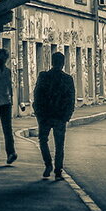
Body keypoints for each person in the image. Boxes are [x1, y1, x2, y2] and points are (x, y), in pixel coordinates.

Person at [33, 51, 75, 180]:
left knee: (43, 141)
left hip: (45, 116)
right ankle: (58, 170)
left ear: (51, 62)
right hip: (60, 116)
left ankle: (48, 164)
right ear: (63, 63)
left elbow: (37, 95)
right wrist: (67, 115)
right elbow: (71, 99)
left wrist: (38, 112)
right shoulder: (67, 79)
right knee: (59, 145)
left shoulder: (44, 76)